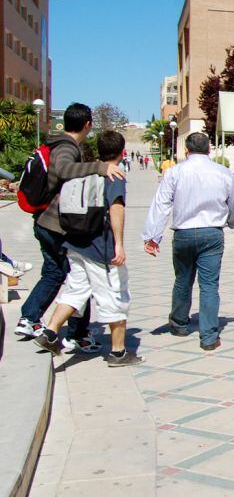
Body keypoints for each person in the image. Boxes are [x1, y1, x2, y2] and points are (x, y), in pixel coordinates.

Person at [15, 103, 125, 351]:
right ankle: (73, 333)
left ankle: (34, 318)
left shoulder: (58, 143)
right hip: (56, 225)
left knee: (61, 274)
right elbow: (64, 170)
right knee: (78, 277)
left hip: (47, 222)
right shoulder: (66, 147)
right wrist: (100, 167)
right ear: (87, 125)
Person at [33, 131, 143, 367]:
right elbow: (116, 209)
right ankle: (118, 352)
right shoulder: (114, 175)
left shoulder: (86, 170)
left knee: (76, 290)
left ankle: (50, 332)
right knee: (115, 295)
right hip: (99, 249)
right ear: (122, 152)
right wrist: (119, 244)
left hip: (75, 244)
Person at [142, 133, 234, 351]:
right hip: (212, 232)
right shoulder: (223, 172)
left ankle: (179, 323)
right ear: (209, 150)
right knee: (209, 284)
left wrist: (153, 235)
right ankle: (208, 336)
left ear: (186, 151)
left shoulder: (175, 172)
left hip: (184, 232)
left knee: (183, 279)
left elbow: (161, 204)